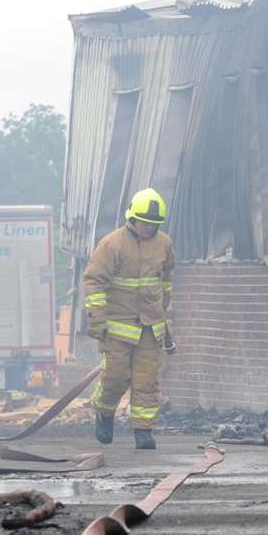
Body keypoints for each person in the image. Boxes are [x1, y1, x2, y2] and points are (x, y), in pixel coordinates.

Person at [82, 187, 175, 450]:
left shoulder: (164, 244)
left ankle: (143, 432)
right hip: (118, 327)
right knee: (115, 377)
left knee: (147, 382)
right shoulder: (112, 244)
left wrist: (163, 312)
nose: (149, 228)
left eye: (154, 224)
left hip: (150, 327)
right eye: (146, 223)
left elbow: (165, 280)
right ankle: (104, 413)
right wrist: (97, 320)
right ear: (132, 218)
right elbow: (94, 281)